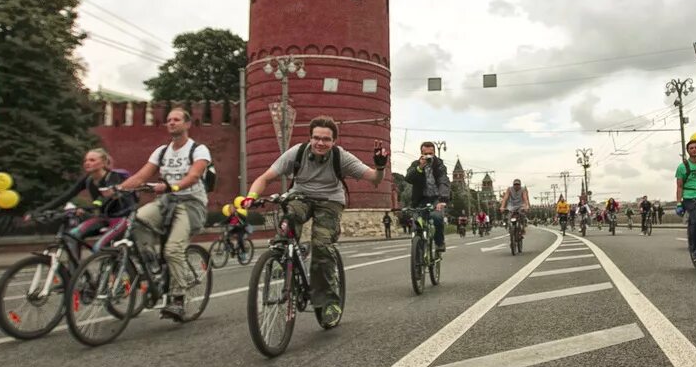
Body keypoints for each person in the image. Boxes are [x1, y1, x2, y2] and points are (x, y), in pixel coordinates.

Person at [242, 116, 388, 327]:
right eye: (316, 138)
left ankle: (329, 301)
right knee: (288, 219)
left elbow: (374, 179)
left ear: (334, 141)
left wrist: (380, 166)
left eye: (326, 139)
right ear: (310, 138)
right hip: (301, 197)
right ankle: (286, 256)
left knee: (321, 244)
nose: (321, 143)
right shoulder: (297, 152)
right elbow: (264, 178)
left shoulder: (341, 157)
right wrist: (250, 197)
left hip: (330, 201)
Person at [117, 108, 213, 321]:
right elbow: (142, 176)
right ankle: (151, 262)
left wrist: (173, 187)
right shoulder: (161, 152)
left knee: (172, 249)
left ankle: (178, 298)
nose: (171, 123)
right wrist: (118, 189)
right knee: (136, 220)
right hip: (166, 201)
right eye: (169, 120)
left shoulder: (198, 149)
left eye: (176, 119)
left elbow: (195, 175)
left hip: (191, 204)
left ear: (187, 124)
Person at [41, 148, 134, 254]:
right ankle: (77, 270)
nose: (87, 163)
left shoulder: (113, 177)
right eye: (86, 160)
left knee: (98, 248)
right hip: (103, 218)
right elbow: (67, 195)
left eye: (92, 160)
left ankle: (112, 269)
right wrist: (40, 210)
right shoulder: (88, 179)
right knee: (72, 236)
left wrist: (84, 209)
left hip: (121, 219)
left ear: (103, 163)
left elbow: (104, 200)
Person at [404, 141, 451, 251]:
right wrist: (420, 167)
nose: (428, 156)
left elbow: (443, 181)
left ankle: (439, 243)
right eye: (426, 154)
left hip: (436, 199)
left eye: (431, 153)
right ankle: (418, 253)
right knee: (416, 223)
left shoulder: (439, 165)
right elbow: (408, 178)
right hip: (420, 200)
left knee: (437, 217)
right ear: (421, 154)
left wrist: (442, 200)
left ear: (434, 153)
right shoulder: (416, 165)